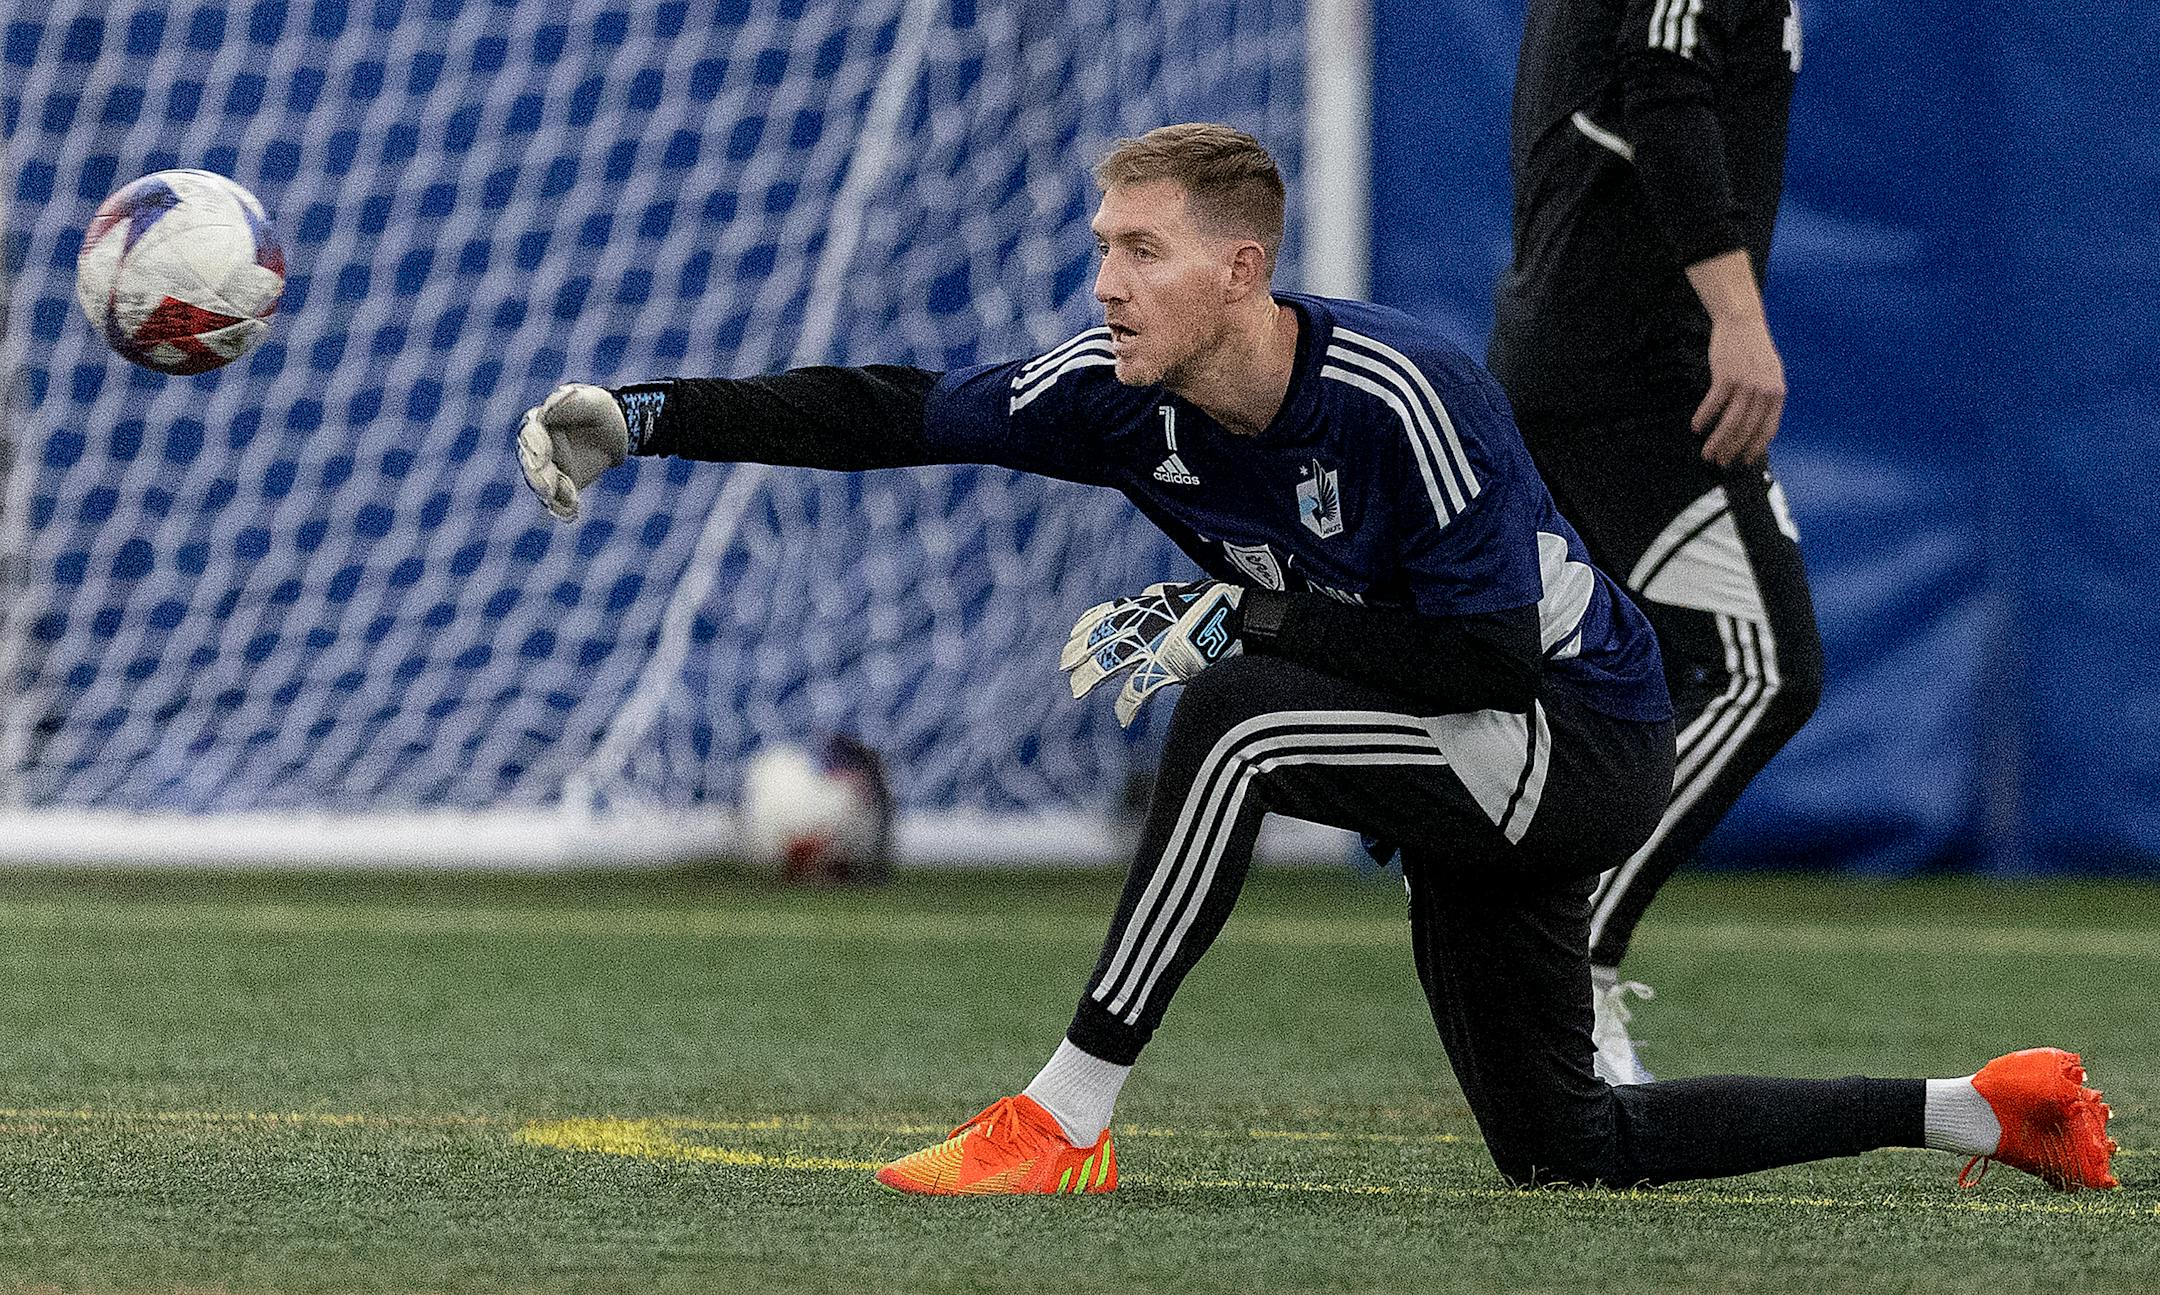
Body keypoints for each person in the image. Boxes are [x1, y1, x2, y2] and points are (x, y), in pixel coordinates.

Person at [516, 124, 2115, 1195]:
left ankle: (1065, 1116)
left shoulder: (1405, 396)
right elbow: (891, 406)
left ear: (1240, 270)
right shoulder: (1114, 386)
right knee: (1566, 1145)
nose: (1104, 280)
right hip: (1463, 764)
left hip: (1574, 736)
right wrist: (646, 417)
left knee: (1235, 718)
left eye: (1139, 248)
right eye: (1100, 243)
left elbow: (1487, 655)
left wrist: (1248, 621)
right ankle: (1984, 1104)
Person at [1488, 0, 1822, 1084]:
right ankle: (1565, 945)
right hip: (1631, 372)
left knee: (1548, 674)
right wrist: (1735, 313)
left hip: (1591, 353)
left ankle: (1493, 896)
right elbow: (1660, 79)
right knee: (1765, 672)